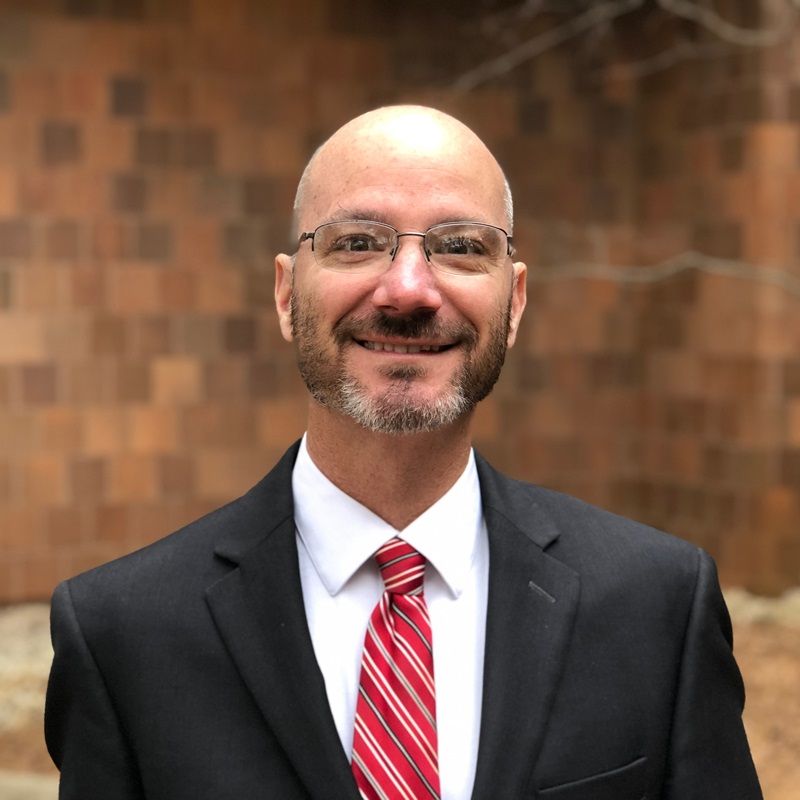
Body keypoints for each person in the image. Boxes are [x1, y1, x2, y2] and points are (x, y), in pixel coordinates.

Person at [45, 105, 762, 800]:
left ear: (514, 304)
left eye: (461, 247)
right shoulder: (122, 635)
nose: (410, 291)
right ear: (286, 294)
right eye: (357, 241)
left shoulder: (658, 606)